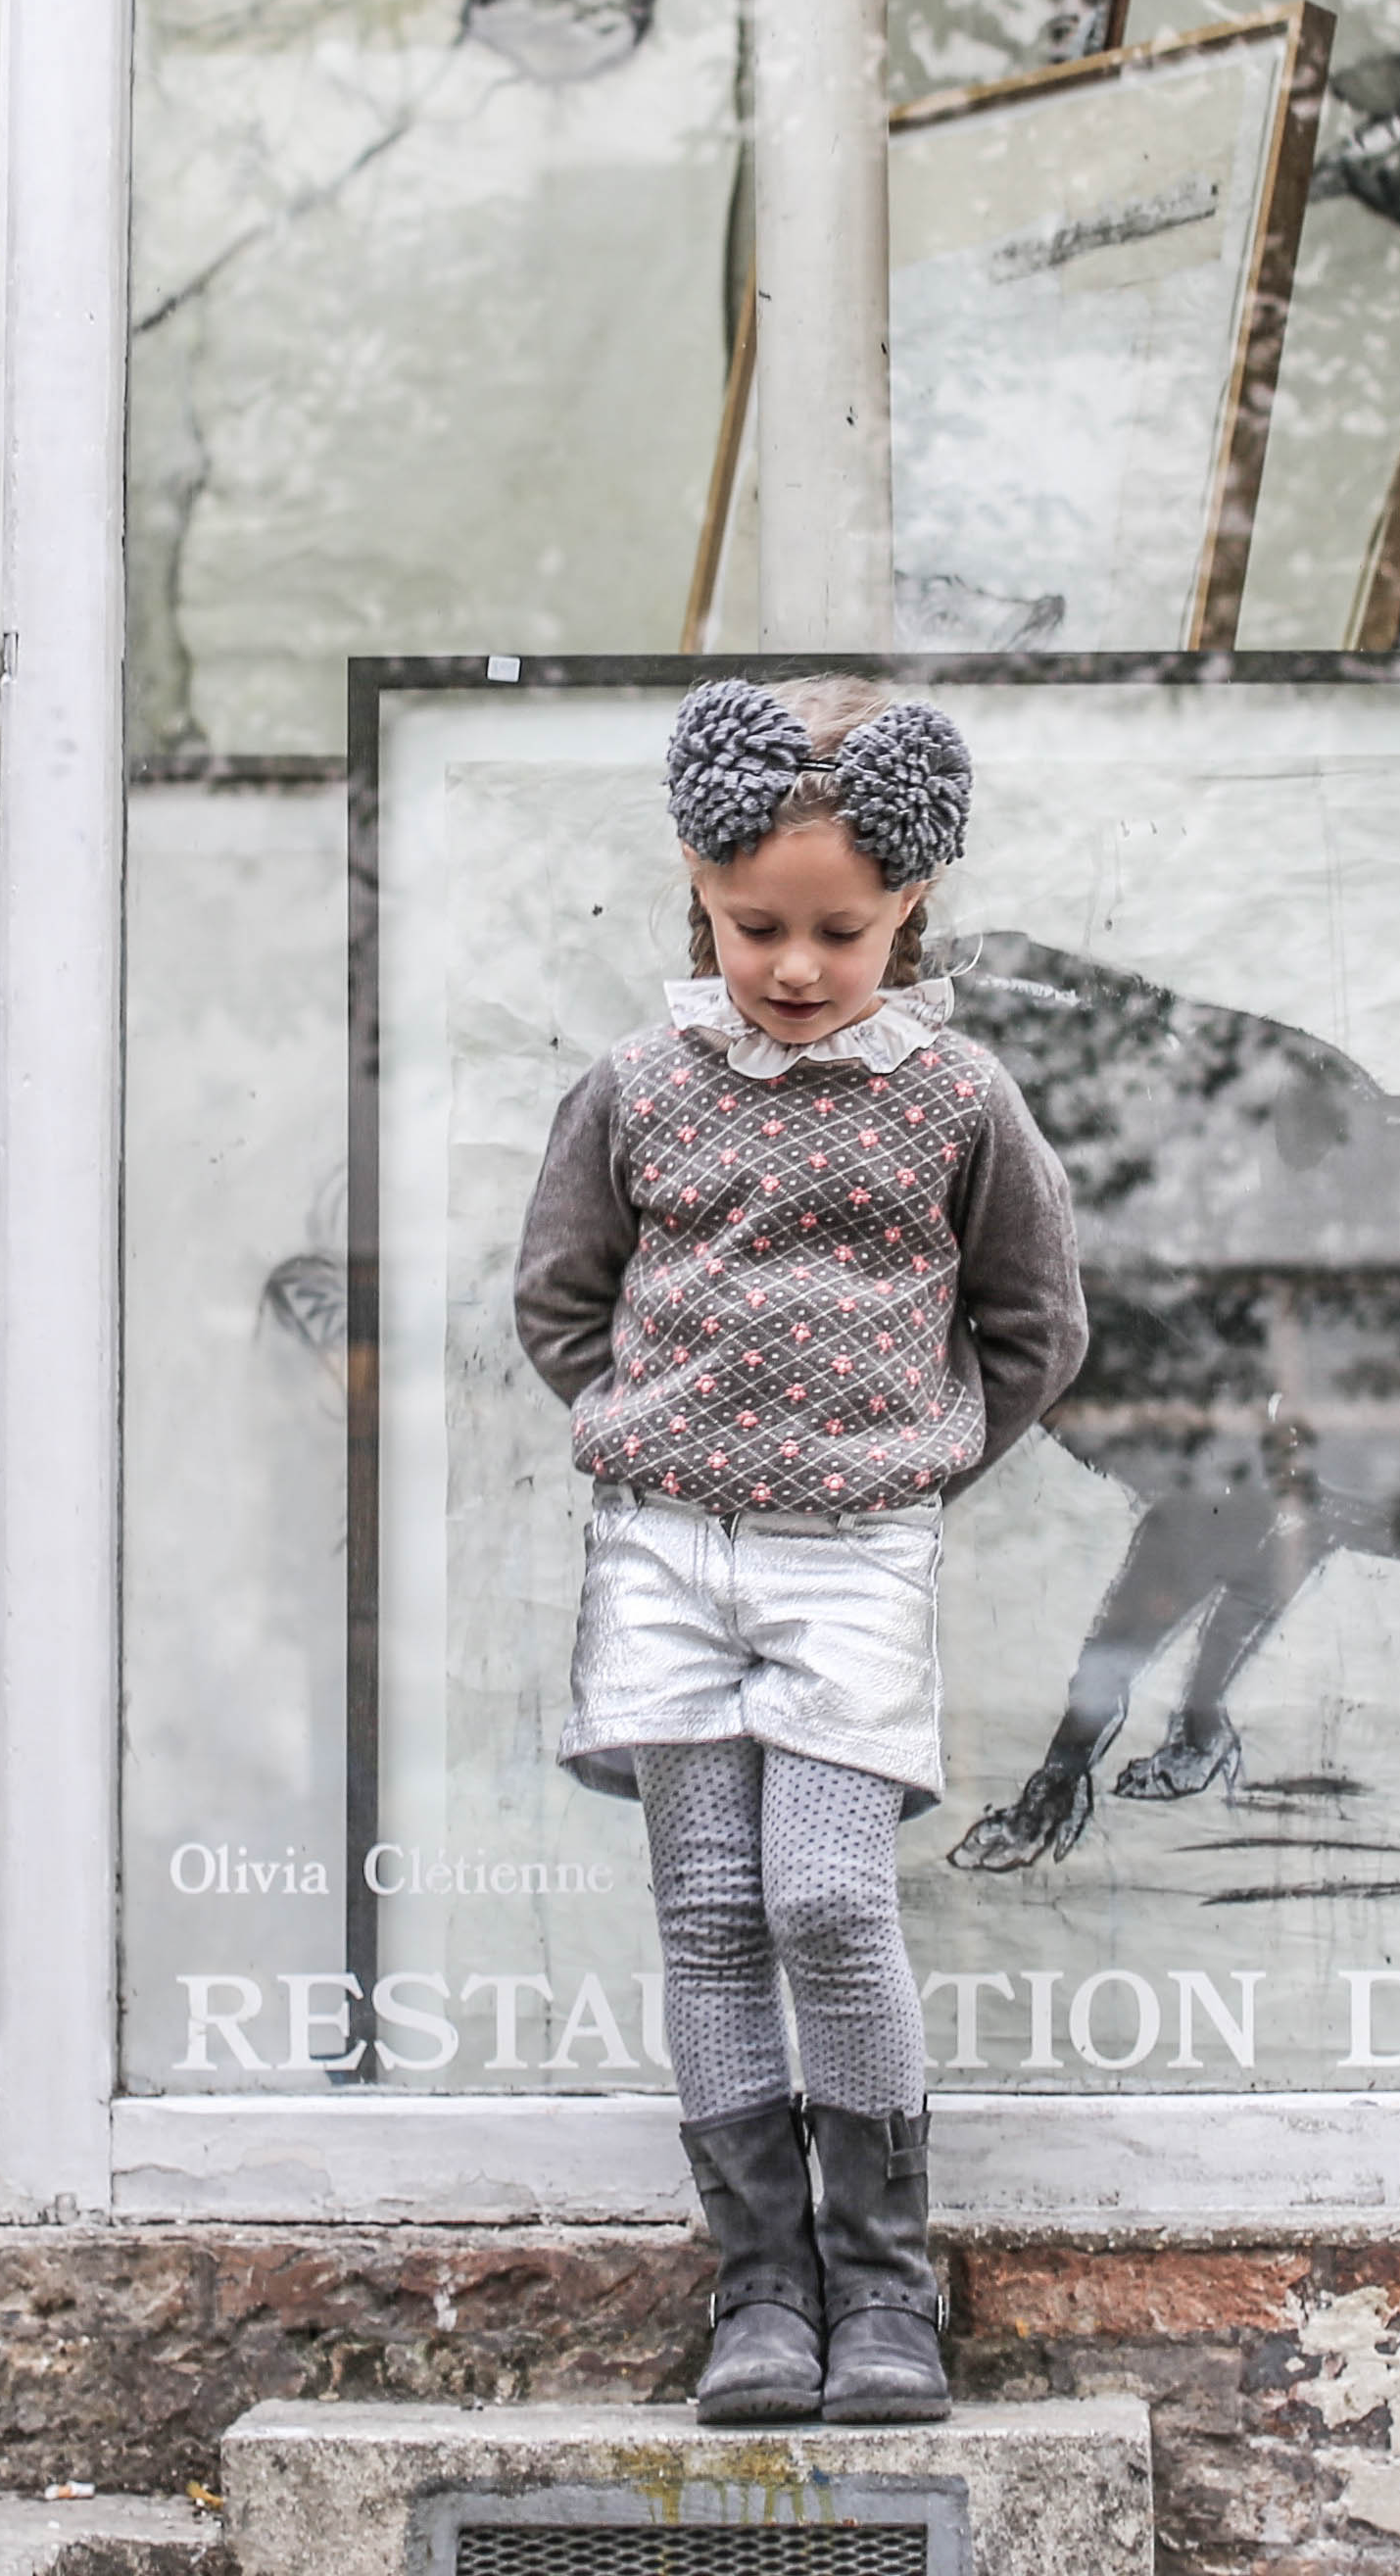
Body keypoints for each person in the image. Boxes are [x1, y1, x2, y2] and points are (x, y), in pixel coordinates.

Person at [513, 673, 1088, 2426]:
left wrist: (902, 1472)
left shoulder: (955, 1100)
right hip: (670, 1554)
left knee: (827, 1899)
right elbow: (561, 1302)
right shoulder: (637, 1089)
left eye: (840, 929)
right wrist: (663, 1442)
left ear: (909, 907)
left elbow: (1032, 1328)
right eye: (756, 922)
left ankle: (888, 2294)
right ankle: (759, 2294)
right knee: (707, 1917)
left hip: (855, 1561)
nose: (793, 963)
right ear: (698, 883)